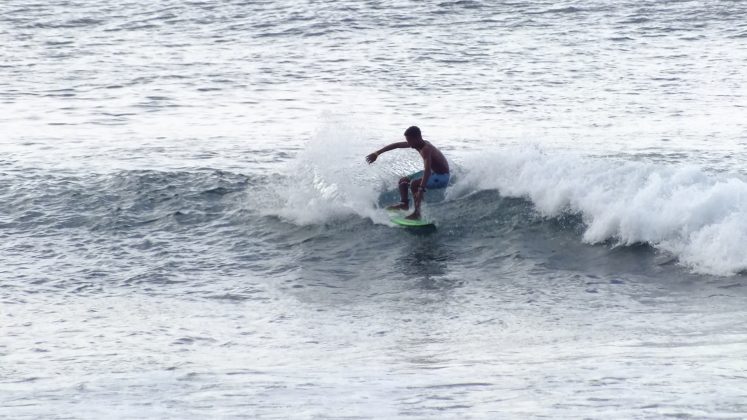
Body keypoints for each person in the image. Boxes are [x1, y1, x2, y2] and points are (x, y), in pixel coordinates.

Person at [366, 126, 450, 220]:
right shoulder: (418, 144)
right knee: (403, 180)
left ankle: (418, 213)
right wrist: (377, 153)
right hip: (434, 173)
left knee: (414, 184)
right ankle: (404, 204)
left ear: (417, 138)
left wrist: (420, 189)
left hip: (443, 177)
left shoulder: (426, 149)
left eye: (410, 140)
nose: (409, 144)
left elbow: (427, 171)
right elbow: (397, 145)